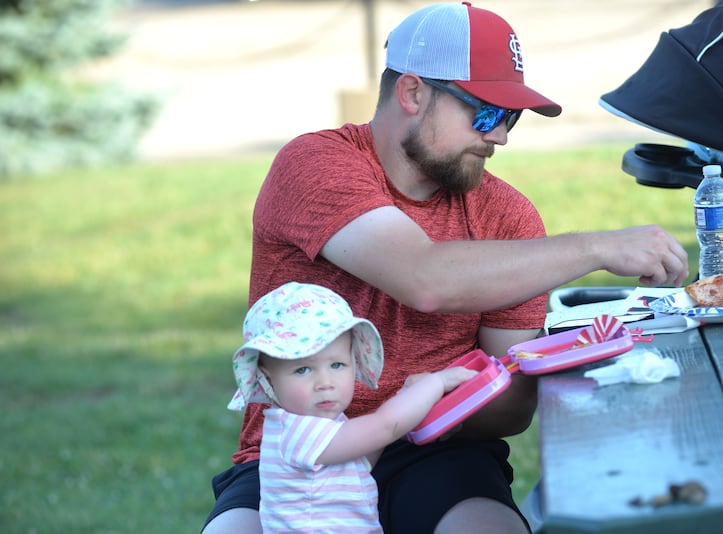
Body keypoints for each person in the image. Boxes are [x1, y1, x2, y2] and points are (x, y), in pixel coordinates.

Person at [202, 2, 689, 533]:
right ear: (413, 93)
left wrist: (545, 367)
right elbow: (424, 277)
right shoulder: (314, 164)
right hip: (301, 450)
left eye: (512, 118)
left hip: (437, 452)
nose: (499, 136)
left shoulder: (508, 216)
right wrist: (595, 249)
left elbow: (509, 413)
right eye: (486, 113)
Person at [228, 281, 477, 532]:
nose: (325, 383)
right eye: (303, 369)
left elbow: (361, 461)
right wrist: (437, 382)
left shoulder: (321, 426)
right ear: (269, 379)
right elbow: (385, 426)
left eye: (337, 365)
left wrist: (405, 397)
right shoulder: (297, 432)